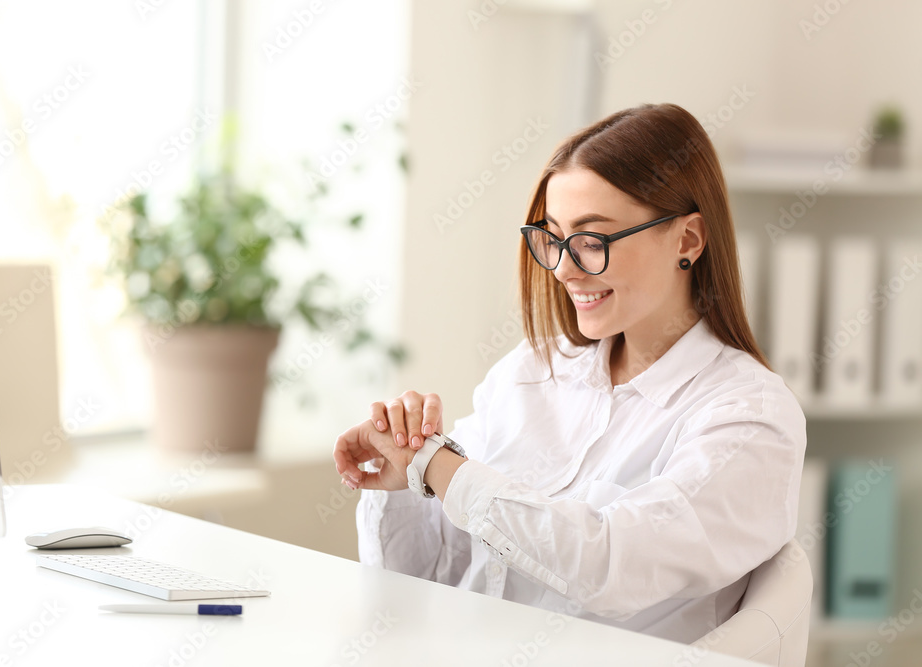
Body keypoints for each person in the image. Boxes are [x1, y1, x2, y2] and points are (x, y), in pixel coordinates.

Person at [332, 103, 806, 644]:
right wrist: (403, 477)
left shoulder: (749, 418)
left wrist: (437, 466)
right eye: (553, 237)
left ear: (688, 240)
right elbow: (419, 581)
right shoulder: (533, 372)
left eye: (592, 239)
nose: (562, 267)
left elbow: (610, 564)